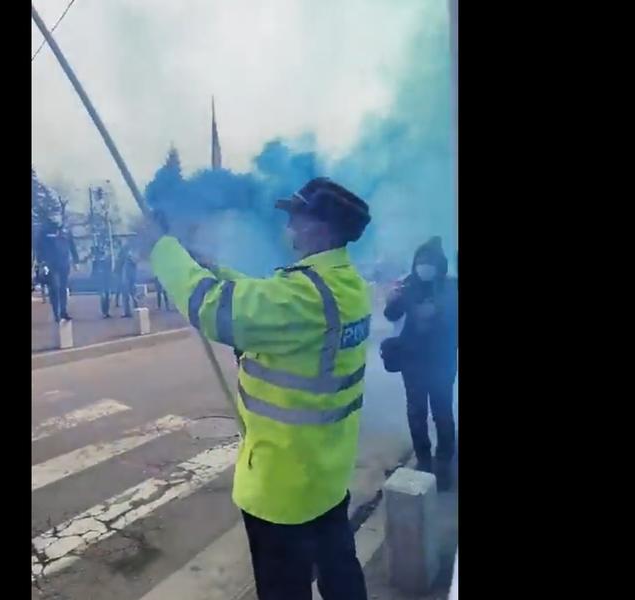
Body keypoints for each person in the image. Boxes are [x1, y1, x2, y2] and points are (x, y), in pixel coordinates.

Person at [143, 177, 372, 600]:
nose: (289, 228)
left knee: (285, 590)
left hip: (284, 490)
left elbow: (217, 312)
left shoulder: (307, 294)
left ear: (321, 227)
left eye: (296, 218)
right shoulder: (346, 285)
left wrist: (164, 250)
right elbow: (259, 301)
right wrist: (209, 266)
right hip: (325, 476)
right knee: (341, 575)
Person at [383, 236, 458, 490]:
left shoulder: (450, 287)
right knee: (416, 412)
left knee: (442, 413)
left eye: (429, 262)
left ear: (440, 265)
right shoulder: (407, 285)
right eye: (420, 261)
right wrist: (391, 300)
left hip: (442, 360)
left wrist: (437, 313)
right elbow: (391, 315)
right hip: (412, 361)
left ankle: (444, 461)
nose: (424, 266)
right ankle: (423, 460)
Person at [36, 214, 79, 322]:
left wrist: (76, 261)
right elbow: (39, 248)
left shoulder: (65, 231)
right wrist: (42, 262)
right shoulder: (45, 231)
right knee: (54, 287)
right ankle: (56, 312)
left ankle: (63, 311)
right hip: (51, 264)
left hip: (64, 263)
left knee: (63, 288)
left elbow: (72, 246)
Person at [90, 240, 113, 318]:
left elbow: (110, 269)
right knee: (103, 296)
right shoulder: (97, 260)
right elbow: (94, 271)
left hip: (107, 278)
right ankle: (104, 312)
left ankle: (106, 311)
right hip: (101, 280)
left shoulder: (108, 259)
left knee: (107, 296)